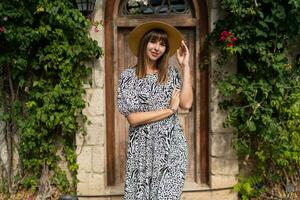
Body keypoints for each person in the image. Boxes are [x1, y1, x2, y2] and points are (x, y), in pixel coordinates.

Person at [117, 21, 193, 200]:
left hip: (171, 149)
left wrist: (186, 67)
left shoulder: (171, 74)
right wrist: (168, 111)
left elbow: (186, 104)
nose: (157, 47)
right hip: (142, 151)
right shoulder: (128, 77)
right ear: (144, 43)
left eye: (162, 43)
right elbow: (133, 119)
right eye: (153, 41)